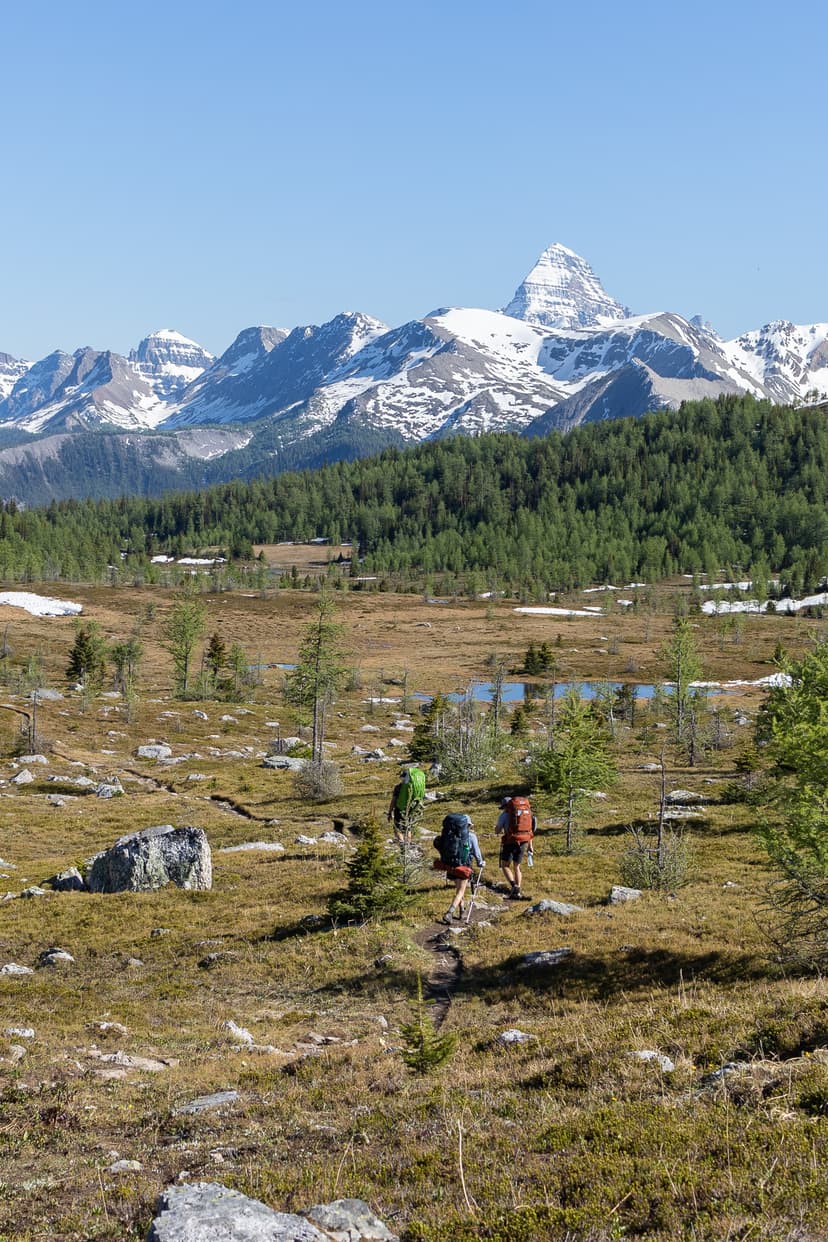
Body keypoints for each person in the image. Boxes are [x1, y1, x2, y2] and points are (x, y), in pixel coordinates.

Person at [438, 813, 484, 924]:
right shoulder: (471, 836)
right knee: (460, 891)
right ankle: (449, 913)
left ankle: (462, 910)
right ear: (467, 825)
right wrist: (480, 862)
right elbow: (477, 852)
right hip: (464, 866)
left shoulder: (449, 835)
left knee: (458, 889)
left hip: (451, 865)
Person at [496, 795, 536, 899]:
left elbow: (497, 830)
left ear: (505, 806)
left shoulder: (504, 816)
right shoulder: (524, 813)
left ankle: (514, 886)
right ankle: (517, 892)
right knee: (517, 867)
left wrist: (498, 829)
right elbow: (528, 830)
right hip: (524, 841)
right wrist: (530, 845)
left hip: (510, 841)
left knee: (505, 865)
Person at [387, 763, 426, 844]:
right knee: (408, 827)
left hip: (400, 809)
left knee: (397, 828)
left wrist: (390, 812)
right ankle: (408, 844)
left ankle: (402, 844)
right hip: (412, 809)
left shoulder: (398, 787)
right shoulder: (415, 788)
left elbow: (393, 801)